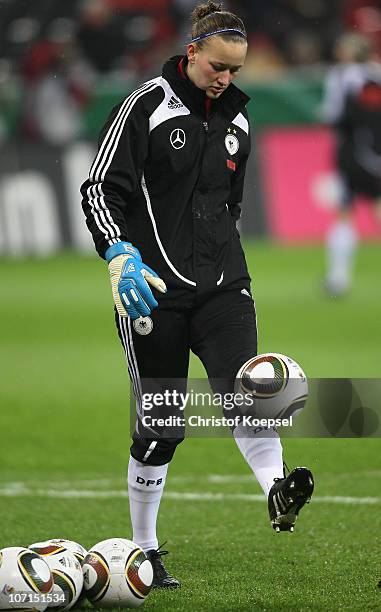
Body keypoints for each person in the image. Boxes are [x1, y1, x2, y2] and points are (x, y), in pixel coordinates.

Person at [81, 1, 314, 589]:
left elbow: (229, 206)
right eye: (217, 66)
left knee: (249, 387)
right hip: (152, 290)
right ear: (192, 54)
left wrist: (222, 266)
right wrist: (118, 252)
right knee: (163, 426)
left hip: (223, 286)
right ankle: (144, 549)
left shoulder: (239, 122)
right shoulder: (144, 105)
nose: (225, 78)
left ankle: (276, 488)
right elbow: (97, 190)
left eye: (234, 70)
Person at [321, 32, 381, 296]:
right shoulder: (377, 73)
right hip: (377, 151)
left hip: (351, 152)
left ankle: (338, 279)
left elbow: (332, 115)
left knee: (345, 211)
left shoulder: (341, 75)